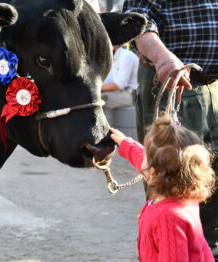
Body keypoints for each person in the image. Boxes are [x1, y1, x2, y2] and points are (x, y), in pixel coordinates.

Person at [122, 1, 218, 257]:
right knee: (174, 181)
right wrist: (162, 57)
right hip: (172, 81)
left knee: (202, 185)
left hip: (213, 83)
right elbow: (138, 19)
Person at [110, 115, 216, 261]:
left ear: (153, 172)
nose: (142, 158)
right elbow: (144, 159)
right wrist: (126, 144)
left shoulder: (168, 218)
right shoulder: (183, 191)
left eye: (146, 155)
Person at [101, 44, 139, 109]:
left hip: (132, 95)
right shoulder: (113, 57)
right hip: (120, 93)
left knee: (94, 100)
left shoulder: (126, 55)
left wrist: (95, 88)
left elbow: (119, 85)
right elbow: (108, 81)